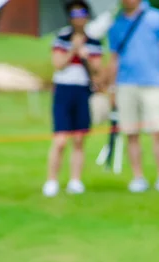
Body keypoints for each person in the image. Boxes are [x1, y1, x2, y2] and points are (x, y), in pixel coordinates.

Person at [107, 0, 159, 193]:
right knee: (131, 133)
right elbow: (114, 58)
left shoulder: (157, 17)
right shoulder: (116, 23)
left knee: (158, 131)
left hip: (153, 82)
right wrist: (111, 88)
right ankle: (138, 177)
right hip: (125, 84)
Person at [42, 0, 103, 197]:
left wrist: (85, 55)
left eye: (82, 13)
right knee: (60, 140)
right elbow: (58, 64)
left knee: (78, 139)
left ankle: (75, 180)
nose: (79, 17)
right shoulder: (62, 38)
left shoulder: (93, 41)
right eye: (75, 14)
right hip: (64, 90)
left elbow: (97, 69)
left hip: (82, 90)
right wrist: (73, 50)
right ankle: (52, 181)